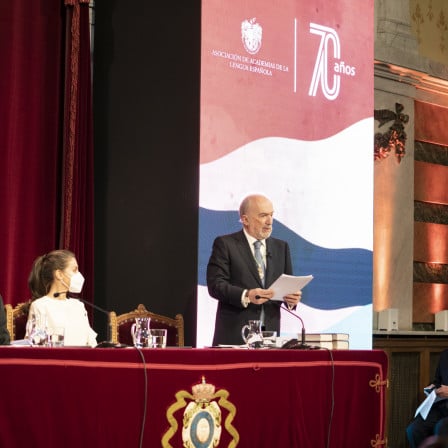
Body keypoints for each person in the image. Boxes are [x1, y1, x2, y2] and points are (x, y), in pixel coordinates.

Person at [206, 194, 302, 346]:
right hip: (235, 336)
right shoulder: (225, 244)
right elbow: (215, 286)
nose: (270, 221)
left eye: (271, 215)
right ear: (245, 220)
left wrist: (291, 299)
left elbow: (287, 285)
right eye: (263, 215)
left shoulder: (281, 247)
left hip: (270, 339)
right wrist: (247, 295)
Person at [26, 249, 97, 347]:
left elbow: (92, 343)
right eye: (74, 270)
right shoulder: (40, 306)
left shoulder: (79, 306)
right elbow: (35, 345)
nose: (79, 275)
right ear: (59, 274)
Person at [407, 349, 448, 447]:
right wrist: (433, 388)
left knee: (441, 427)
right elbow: (438, 381)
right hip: (442, 406)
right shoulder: (445, 354)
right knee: (414, 429)